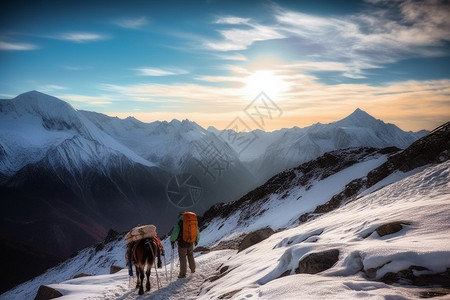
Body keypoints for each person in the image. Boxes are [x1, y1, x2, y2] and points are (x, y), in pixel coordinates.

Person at [170, 212, 200, 278]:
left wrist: (172, 240)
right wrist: (196, 240)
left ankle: (182, 274)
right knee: (190, 255)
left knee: (183, 258)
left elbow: (175, 233)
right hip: (190, 242)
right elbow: (197, 231)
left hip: (182, 243)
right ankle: (193, 269)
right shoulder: (192, 221)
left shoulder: (180, 223)